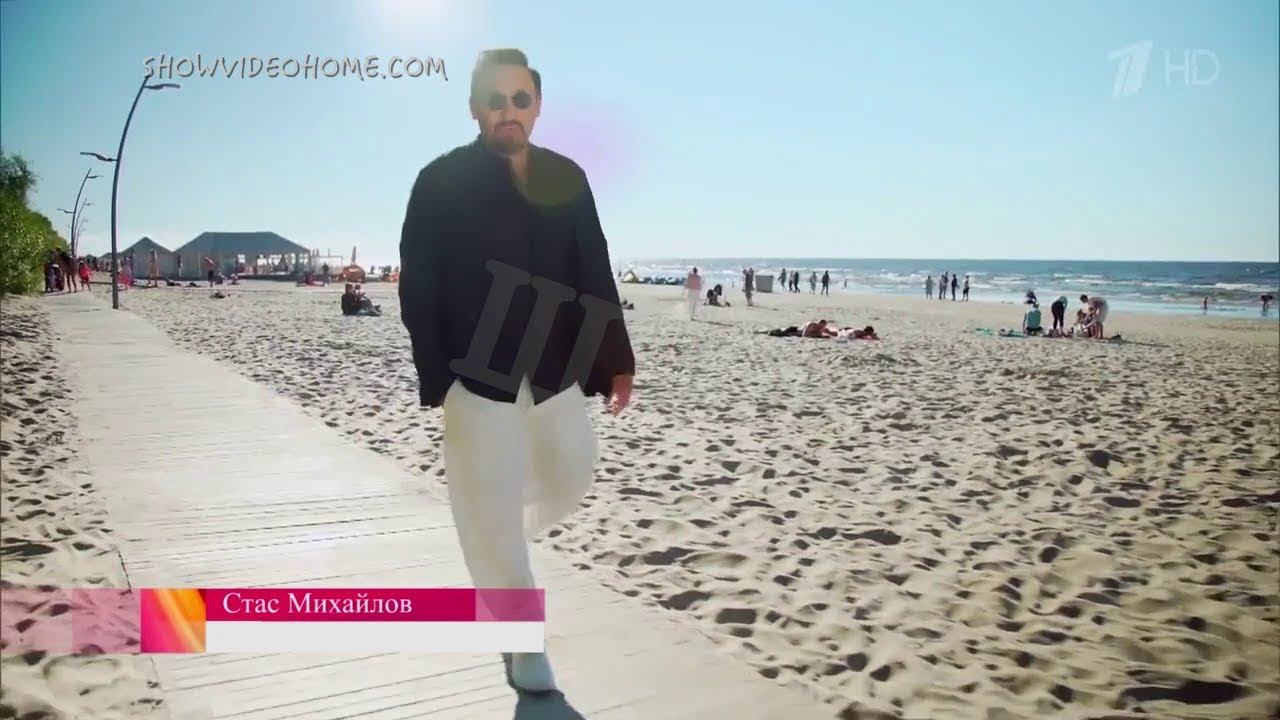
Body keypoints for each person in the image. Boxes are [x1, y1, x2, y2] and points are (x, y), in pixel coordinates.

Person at [397, 48, 634, 695]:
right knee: (490, 513)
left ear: (537, 105)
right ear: (475, 109)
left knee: (572, 472)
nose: (509, 111)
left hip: (556, 368)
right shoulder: (440, 181)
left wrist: (616, 361)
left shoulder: (567, 176)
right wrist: (440, 377)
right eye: (495, 100)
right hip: (475, 378)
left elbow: (594, 266)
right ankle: (523, 639)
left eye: (520, 99)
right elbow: (419, 284)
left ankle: (499, 543)